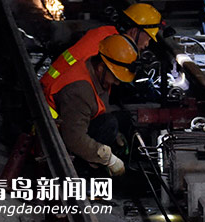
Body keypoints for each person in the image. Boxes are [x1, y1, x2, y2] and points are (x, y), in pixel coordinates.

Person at [41, 32, 139, 175]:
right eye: (116, 77)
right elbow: (74, 139)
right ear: (101, 67)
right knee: (109, 123)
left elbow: (101, 108)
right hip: (53, 142)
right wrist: (108, 159)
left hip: (69, 126)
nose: (117, 83)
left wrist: (116, 135)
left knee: (119, 120)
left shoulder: (94, 69)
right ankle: (83, 173)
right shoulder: (79, 91)